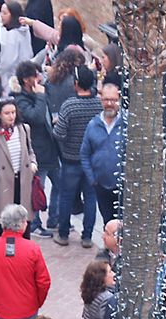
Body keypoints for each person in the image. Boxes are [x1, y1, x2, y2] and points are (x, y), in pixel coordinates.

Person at [50, 64, 102, 247]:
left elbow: (59, 133)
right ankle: (87, 237)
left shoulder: (69, 106)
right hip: (93, 161)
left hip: (71, 159)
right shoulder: (98, 105)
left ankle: (63, 234)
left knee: (66, 197)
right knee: (90, 198)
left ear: (77, 83)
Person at [11, 61, 59, 234]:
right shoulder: (20, 100)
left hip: (50, 147)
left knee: (59, 184)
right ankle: (36, 223)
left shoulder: (40, 91)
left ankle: (54, 218)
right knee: (37, 187)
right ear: (26, 80)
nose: (39, 78)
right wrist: (40, 96)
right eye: (35, 75)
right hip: (37, 151)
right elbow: (36, 117)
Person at [0, 98, 39, 241]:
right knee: (0, 226)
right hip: (3, 184)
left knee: (23, 222)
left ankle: (23, 253)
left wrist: (33, 162)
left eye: (13, 112)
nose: (11, 116)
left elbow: (30, 150)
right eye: (7, 113)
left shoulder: (24, 129)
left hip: (23, 181)